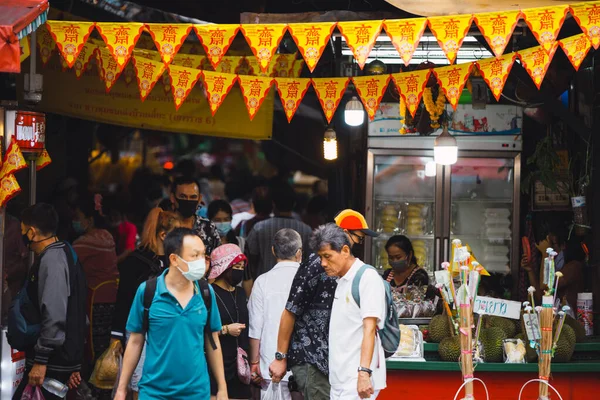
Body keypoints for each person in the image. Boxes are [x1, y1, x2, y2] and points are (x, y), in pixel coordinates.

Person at [269, 210, 378, 400]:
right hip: (310, 358)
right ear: (344, 233)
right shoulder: (317, 264)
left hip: (333, 361)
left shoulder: (348, 270)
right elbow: (290, 310)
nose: (358, 244)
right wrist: (280, 357)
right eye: (358, 238)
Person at [115, 228, 228, 400]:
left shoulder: (206, 292)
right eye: (194, 255)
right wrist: (122, 389)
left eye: (203, 255)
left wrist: (222, 388)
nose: (201, 261)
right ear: (174, 259)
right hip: (154, 393)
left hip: (197, 393)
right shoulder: (148, 292)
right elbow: (135, 341)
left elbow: (213, 341)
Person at [13, 203, 86, 400]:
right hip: (62, 359)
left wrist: (41, 360)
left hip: (52, 362)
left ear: (32, 232)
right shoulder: (65, 252)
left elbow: (54, 312)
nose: (23, 237)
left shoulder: (52, 260)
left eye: (23, 231)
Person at [111, 208, 182, 399]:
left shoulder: (176, 262)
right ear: (163, 235)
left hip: (171, 334)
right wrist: (116, 337)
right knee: (140, 385)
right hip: (140, 334)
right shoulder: (135, 262)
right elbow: (123, 301)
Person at [311, 224, 386, 400]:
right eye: (321, 257)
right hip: (340, 381)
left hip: (356, 382)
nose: (323, 263)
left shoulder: (367, 277)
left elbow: (369, 329)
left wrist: (364, 374)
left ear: (345, 250)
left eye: (327, 256)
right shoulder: (341, 280)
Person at [248, 229, 303, 400]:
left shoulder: (262, 282)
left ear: (273, 251)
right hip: (304, 368)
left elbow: (255, 327)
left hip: (269, 366)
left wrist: (254, 362)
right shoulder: (308, 280)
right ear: (299, 253)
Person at [71, 194, 119, 366]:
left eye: (78, 217)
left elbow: (68, 266)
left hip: (94, 303)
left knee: (93, 350)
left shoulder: (84, 243)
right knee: (105, 349)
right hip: (113, 298)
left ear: (89, 220)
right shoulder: (107, 236)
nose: (74, 221)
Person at [207, 244, 251, 400]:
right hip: (216, 366)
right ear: (224, 267)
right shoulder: (209, 293)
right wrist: (225, 329)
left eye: (241, 266)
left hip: (241, 367)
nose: (239, 270)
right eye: (235, 266)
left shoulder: (240, 293)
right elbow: (201, 331)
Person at [245, 184, 312, 285]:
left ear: (273, 204)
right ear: (294, 204)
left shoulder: (259, 228)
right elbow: (310, 260)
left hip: (265, 284)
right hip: (295, 286)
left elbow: (250, 258)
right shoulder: (306, 230)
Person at [521, 226, 585, 311]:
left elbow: (545, 285)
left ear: (563, 245)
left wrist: (546, 253)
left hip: (569, 320)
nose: (551, 248)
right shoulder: (552, 265)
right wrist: (530, 270)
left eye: (552, 244)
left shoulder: (574, 266)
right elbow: (541, 296)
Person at [169, 176, 221, 256]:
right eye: (183, 196)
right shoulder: (164, 226)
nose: (188, 201)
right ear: (173, 198)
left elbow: (218, 259)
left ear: (199, 199)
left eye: (193, 197)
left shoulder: (208, 227)